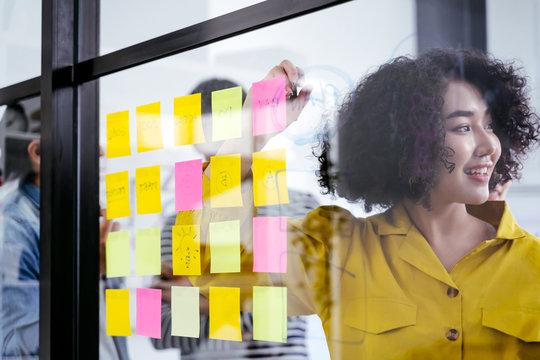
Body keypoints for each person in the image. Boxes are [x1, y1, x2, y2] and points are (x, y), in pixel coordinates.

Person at [184, 49, 540, 359]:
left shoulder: (533, 265)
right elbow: (211, 263)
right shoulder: (337, 251)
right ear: (409, 140)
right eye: (463, 127)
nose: (490, 145)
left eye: (490, 125)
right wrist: (253, 129)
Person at [152, 78, 319, 359]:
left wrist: (203, 302)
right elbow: (159, 331)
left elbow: (290, 310)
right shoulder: (177, 222)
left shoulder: (298, 207)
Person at [0, 137, 129, 360]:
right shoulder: (15, 227)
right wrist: (88, 275)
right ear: (38, 152)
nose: (102, 153)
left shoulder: (80, 219)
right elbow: (14, 350)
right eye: (91, 139)